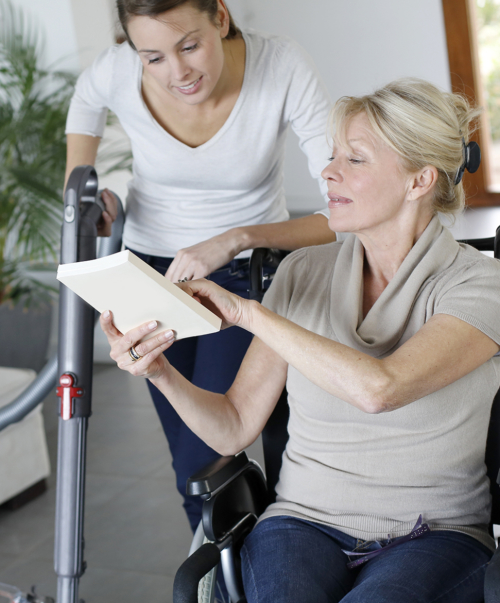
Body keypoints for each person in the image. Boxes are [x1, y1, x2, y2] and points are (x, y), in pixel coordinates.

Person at [100, 78, 500, 603]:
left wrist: (250, 314)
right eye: (331, 156)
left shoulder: (481, 283)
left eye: (354, 158)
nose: (328, 172)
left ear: (420, 179)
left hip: (436, 533)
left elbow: (381, 389)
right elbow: (233, 427)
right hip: (302, 523)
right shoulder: (302, 274)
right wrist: (159, 372)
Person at [65, 0, 336, 532]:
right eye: (154, 58)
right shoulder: (118, 68)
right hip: (148, 273)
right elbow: (84, 102)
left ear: (221, 16)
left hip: (242, 276)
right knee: (191, 471)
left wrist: (236, 237)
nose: (178, 73)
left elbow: (343, 214)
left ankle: (276, 573)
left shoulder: (280, 67)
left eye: (189, 45)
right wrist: (86, 195)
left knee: (216, 452)